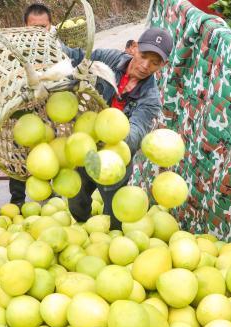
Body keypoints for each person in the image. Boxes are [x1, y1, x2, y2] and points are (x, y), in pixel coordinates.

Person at [62, 28, 173, 230]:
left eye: (155, 62)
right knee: (77, 200)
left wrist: (108, 133)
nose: (145, 65)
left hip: (115, 159)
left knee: (114, 212)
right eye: (143, 56)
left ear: (163, 65)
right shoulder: (109, 59)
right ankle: (81, 228)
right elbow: (78, 57)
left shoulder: (151, 99)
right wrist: (50, 44)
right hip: (84, 149)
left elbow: (135, 133)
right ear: (135, 49)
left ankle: (111, 237)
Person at [8, 3, 56, 206]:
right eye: (33, 27)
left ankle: (50, 197)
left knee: (48, 157)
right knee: (18, 159)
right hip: (22, 115)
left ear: (50, 25)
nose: (37, 32)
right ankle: (18, 200)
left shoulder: (56, 49)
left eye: (42, 27)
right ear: (24, 26)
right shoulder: (13, 50)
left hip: (47, 114)